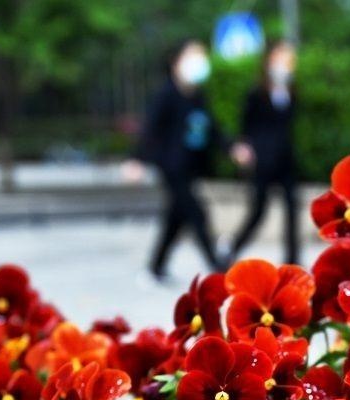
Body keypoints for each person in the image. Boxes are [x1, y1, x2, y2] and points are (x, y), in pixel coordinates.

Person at [125, 39, 253, 281]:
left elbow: (211, 128)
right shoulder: (167, 94)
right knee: (196, 213)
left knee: (176, 216)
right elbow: (151, 128)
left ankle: (156, 266)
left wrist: (232, 148)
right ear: (176, 61)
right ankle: (217, 268)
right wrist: (136, 159)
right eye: (192, 55)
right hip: (172, 166)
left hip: (192, 165)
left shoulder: (198, 96)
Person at [226, 40, 300, 266]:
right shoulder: (256, 92)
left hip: (285, 158)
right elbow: (246, 126)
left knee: (291, 207)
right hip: (263, 159)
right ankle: (232, 247)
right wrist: (246, 150)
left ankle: (292, 259)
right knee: (258, 210)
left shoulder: (291, 91)